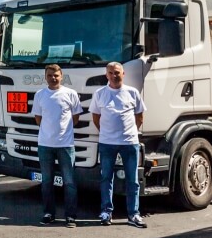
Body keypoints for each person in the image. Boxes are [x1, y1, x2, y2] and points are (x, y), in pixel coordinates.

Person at [89, 62, 148, 228]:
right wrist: (107, 133)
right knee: (106, 178)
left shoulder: (132, 92)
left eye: (117, 72)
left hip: (129, 143)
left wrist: (129, 133)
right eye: (110, 73)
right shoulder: (100, 94)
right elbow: (96, 117)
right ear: (106, 75)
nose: (114, 76)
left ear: (123, 74)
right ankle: (106, 212)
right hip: (107, 143)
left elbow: (139, 117)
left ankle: (133, 214)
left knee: (133, 180)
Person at [32, 64, 83, 228]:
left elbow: (75, 118)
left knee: (69, 182)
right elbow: (38, 119)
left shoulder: (71, 94)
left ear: (62, 76)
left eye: (56, 75)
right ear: (45, 77)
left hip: (66, 145)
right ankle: (48, 213)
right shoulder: (40, 95)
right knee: (47, 182)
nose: (53, 78)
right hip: (45, 145)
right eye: (49, 75)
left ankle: (70, 216)